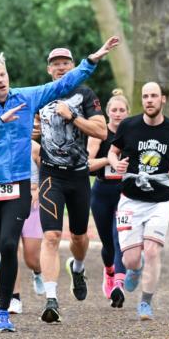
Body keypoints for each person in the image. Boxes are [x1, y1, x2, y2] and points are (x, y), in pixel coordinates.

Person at [0, 36, 119, 332]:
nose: (1, 80)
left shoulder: (26, 97)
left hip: (20, 183)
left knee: (10, 245)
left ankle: (3, 312)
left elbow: (61, 85)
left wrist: (93, 59)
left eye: (3, 74)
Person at [107, 82, 169, 320]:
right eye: (145, 96)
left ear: (163, 99)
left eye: (154, 96)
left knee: (153, 250)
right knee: (130, 259)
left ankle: (145, 303)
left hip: (160, 199)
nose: (149, 100)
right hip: (130, 199)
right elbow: (112, 152)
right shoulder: (128, 126)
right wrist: (116, 164)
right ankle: (135, 269)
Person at [35, 46, 107, 324]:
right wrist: (32, 132)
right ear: (48, 69)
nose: (61, 67)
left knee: (78, 236)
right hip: (50, 175)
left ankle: (77, 268)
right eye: (56, 64)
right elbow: (32, 130)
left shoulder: (86, 95)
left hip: (78, 175)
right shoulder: (41, 94)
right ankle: (51, 299)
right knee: (51, 236)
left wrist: (73, 117)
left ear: (74, 66)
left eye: (66, 63)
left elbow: (102, 131)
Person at [87, 89, 130, 307]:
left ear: (128, 112)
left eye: (122, 110)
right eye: (114, 110)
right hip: (102, 192)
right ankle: (110, 271)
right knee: (107, 243)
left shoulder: (133, 133)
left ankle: (118, 286)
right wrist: (109, 160)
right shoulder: (99, 134)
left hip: (125, 194)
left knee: (119, 238)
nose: (118, 113)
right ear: (107, 112)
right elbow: (87, 165)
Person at [9, 141, 45, 315]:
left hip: (33, 205)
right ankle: (14, 297)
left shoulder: (35, 148)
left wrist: (39, 190)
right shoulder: (1, 143)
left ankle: (37, 271)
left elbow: (47, 175)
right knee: (10, 249)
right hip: (9, 200)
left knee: (31, 258)